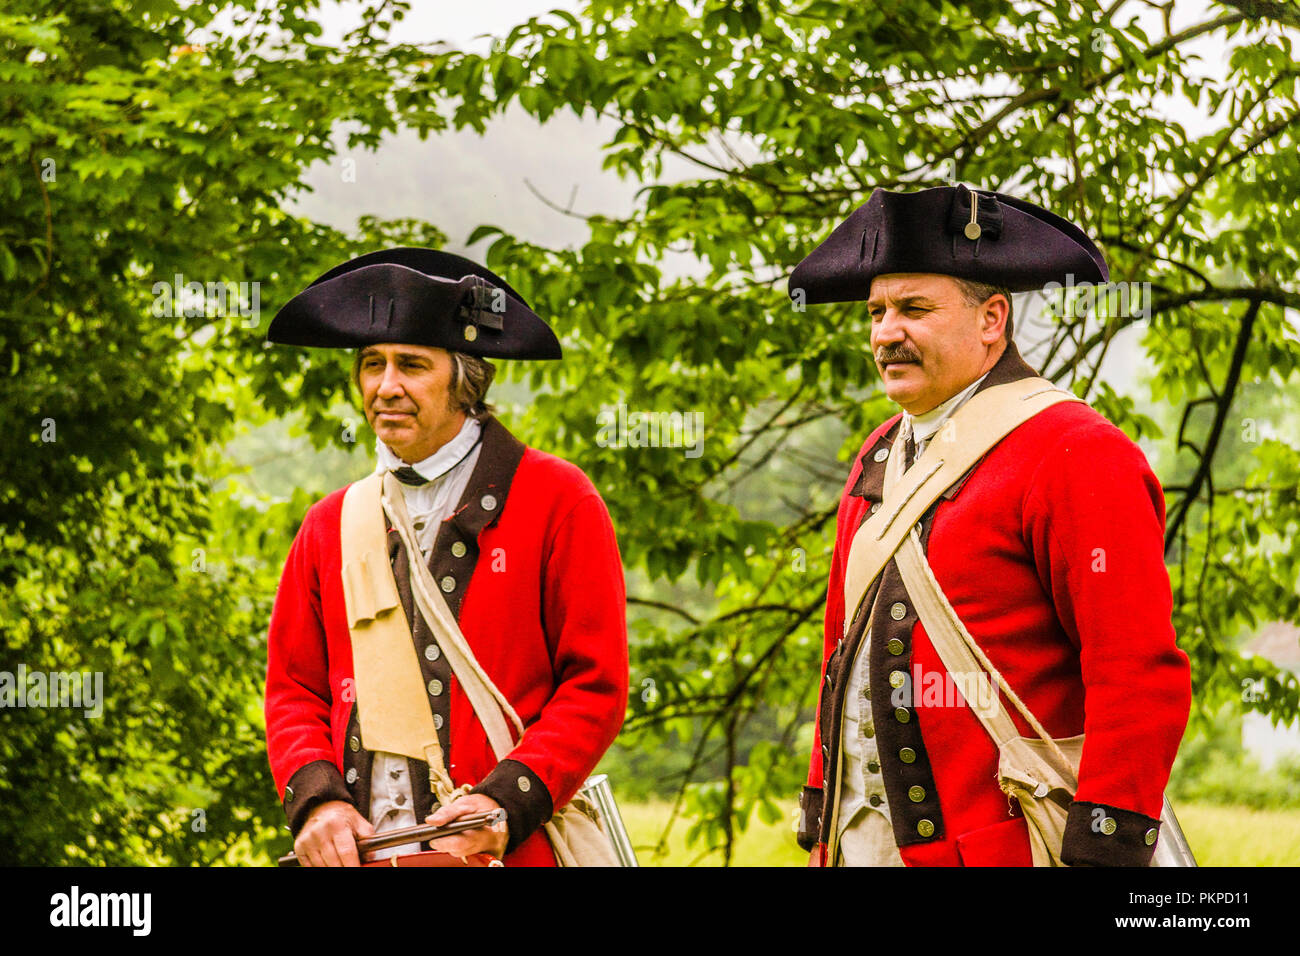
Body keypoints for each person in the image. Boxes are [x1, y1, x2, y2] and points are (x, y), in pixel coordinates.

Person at [788, 185, 1191, 866]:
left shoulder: (1075, 450)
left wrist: (1105, 841)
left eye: (914, 308)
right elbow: (842, 655)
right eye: (877, 311)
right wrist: (824, 811)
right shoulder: (881, 451)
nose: (886, 332)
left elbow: (1136, 670)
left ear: (991, 319)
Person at [263, 248, 628, 866]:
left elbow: (594, 687)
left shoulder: (559, 499)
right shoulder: (329, 526)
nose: (385, 387)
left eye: (411, 365)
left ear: (465, 379)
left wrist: (506, 802)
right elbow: (294, 689)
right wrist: (319, 802)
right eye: (371, 365)